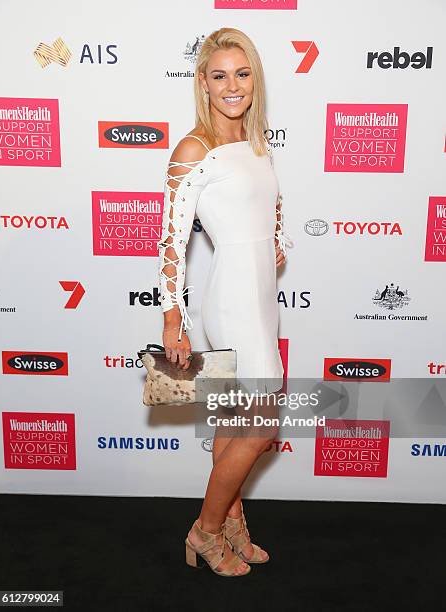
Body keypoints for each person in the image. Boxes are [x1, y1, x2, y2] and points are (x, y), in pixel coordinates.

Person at [157, 27, 293, 577]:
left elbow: (268, 206)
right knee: (260, 425)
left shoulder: (257, 144)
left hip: (260, 293)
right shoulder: (195, 148)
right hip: (230, 298)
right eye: (220, 76)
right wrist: (173, 319)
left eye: (242, 74)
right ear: (203, 84)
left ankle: (232, 521)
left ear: (254, 80)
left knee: (236, 423)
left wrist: (276, 243)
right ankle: (206, 530)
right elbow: (170, 240)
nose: (232, 86)